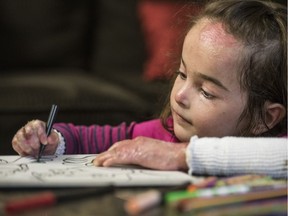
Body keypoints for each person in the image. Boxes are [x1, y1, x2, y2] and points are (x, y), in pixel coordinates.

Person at [12, 0, 287, 178]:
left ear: (266, 118)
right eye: (182, 74)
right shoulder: (163, 133)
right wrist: (55, 140)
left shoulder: (276, 152)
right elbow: (96, 139)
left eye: (206, 92)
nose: (179, 96)